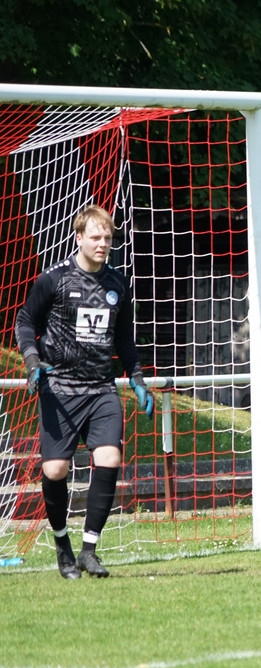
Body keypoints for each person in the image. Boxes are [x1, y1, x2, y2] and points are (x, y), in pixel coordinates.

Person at [15, 204, 155, 579]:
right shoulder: (55, 279)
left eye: (107, 237)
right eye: (95, 236)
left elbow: (124, 339)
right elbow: (25, 321)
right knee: (55, 469)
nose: (102, 243)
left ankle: (89, 551)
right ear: (79, 238)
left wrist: (137, 379)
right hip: (59, 387)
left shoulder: (118, 285)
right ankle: (63, 548)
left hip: (100, 389)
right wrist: (32, 361)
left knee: (109, 458)